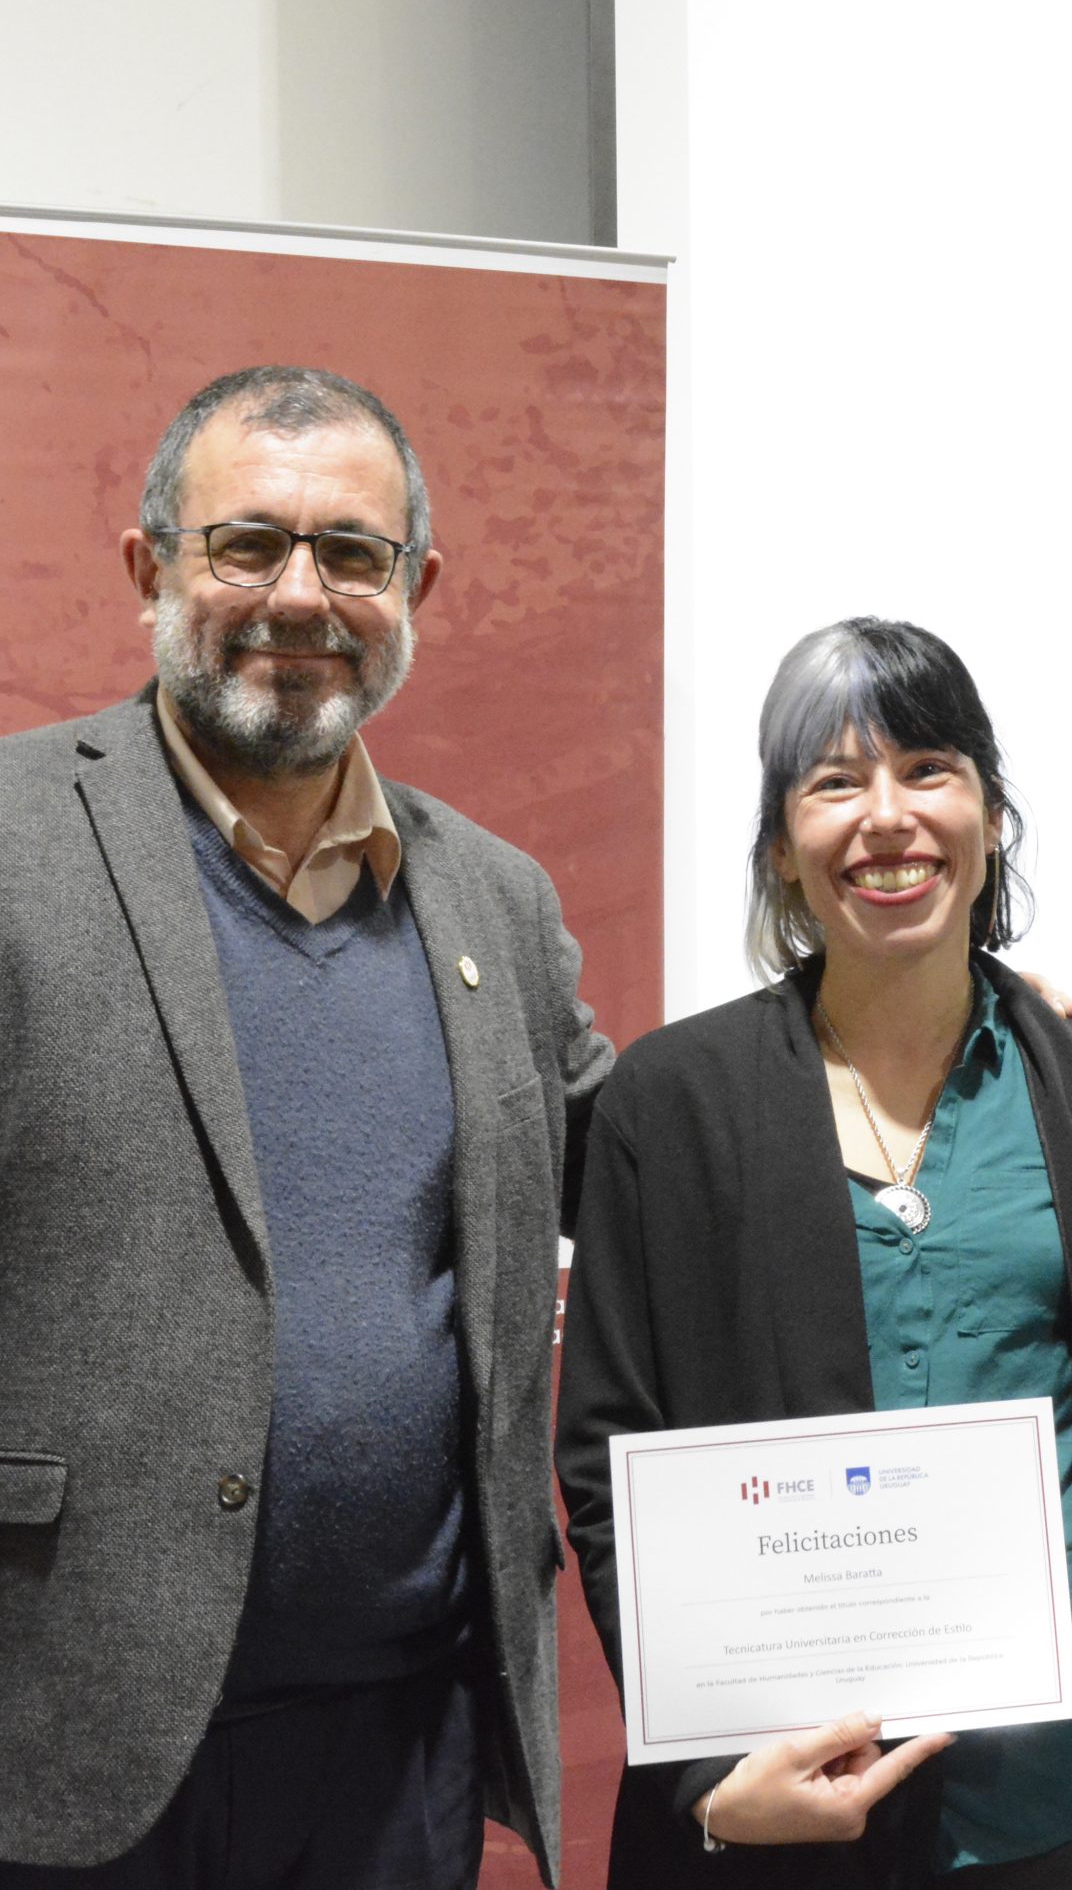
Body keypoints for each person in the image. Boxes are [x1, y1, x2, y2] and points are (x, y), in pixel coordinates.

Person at [0, 367, 611, 1889]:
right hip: (60, 1741)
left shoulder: (497, 900)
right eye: (246, 544)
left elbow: (657, 1167)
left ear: (417, 588)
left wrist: (903, 1022)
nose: (298, 595)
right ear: (149, 568)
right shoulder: (12, 842)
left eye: (350, 553)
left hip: (395, 1756)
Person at [557, 617, 1072, 1889]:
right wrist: (709, 1775)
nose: (887, 816)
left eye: (927, 768)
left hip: (1062, 1798)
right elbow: (608, 1460)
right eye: (833, 780)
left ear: (990, 815)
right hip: (791, 1797)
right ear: (778, 846)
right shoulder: (671, 1106)